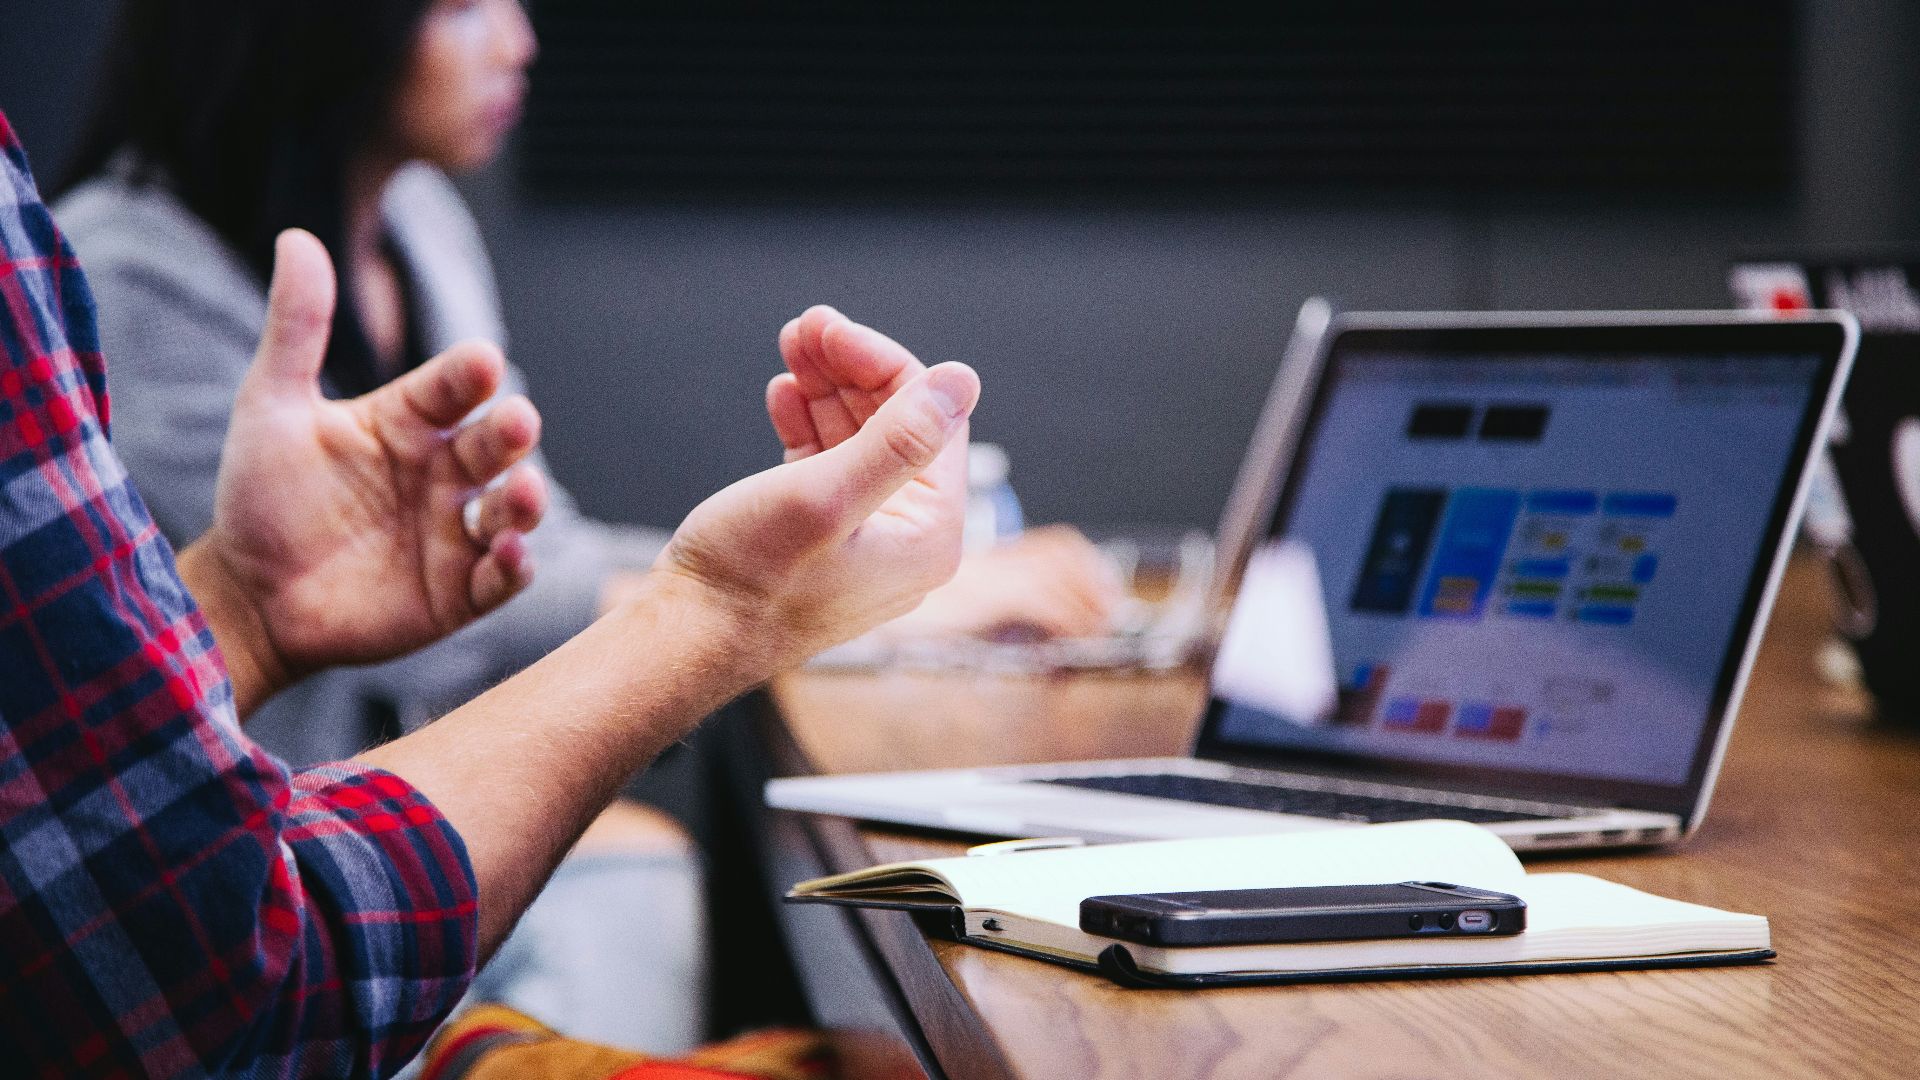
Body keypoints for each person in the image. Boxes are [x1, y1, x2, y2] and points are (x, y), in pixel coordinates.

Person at [53, 0, 1119, 1048]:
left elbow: (517, 555)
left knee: (646, 872)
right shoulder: (128, 274)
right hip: (241, 901)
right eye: (464, 6)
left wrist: (810, 579)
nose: (519, 40)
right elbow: (456, 624)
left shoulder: (416, 219)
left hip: (370, 822)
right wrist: (814, 601)